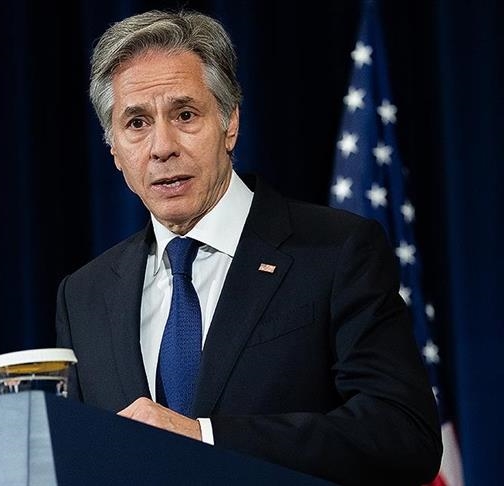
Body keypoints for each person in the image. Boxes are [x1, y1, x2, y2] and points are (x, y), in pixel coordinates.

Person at [55, 9, 442, 485]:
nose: (161, 147)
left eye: (185, 115)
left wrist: (205, 437)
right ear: (114, 149)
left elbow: (404, 436)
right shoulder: (84, 295)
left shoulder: (336, 251)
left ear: (230, 123)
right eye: (136, 123)